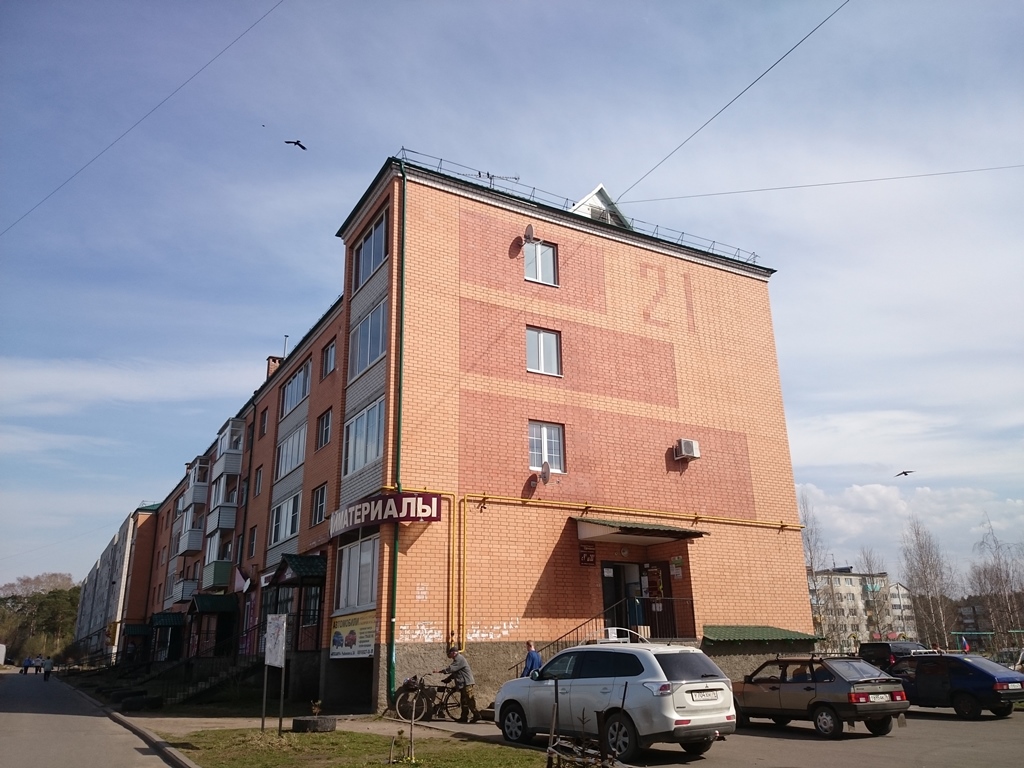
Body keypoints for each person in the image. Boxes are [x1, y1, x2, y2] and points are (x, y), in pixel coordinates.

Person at [434, 646, 481, 723]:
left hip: (467, 683)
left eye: (450, 653)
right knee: (464, 701)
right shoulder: (457, 660)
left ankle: (477, 715)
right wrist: (448, 679)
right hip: (463, 684)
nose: (449, 655)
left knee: (469, 700)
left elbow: (451, 669)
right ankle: (464, 717)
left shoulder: (459, 659)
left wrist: (440, 671)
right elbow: (455, 672)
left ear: (453, 653)